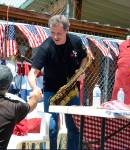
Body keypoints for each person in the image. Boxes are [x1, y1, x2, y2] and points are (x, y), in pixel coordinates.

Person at [28, 15, 87, 150]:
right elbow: (32, 72)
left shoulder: (76, 41)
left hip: (72, 90)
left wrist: (82, 70)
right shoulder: (46, 46)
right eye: (52, 32)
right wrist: (34, 87)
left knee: (74, 126)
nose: (55, 37)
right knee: (52, 127)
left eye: (59, 33)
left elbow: (85, 58)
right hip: (51, 90)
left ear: (67, 30)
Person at [0, 64, 42, 150]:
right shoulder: (13, 108)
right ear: (8, 87)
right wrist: (36, 93)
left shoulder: (13, 107)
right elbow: (32, 104)